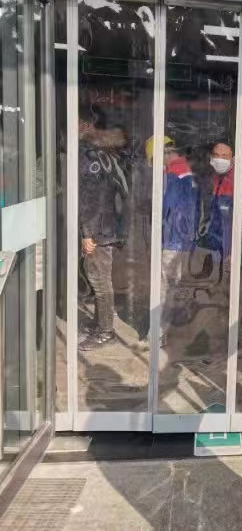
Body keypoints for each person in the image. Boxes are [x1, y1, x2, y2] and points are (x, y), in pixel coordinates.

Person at [78, 106, 129, 351]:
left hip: (99, 229)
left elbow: (90, 198)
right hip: (107, 226)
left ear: (86, 125)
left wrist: (88, 233)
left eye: (76, 123)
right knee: (99, 279)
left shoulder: (89, 155)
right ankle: (101, 323)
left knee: (100, 282)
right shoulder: (102, 153)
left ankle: (105, 332)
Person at [146, 136, 199, 345]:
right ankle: (168, 330)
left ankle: (158, 333)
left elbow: (164, 207)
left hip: (171, 239)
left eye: (154, 160)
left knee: (163, 288)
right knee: (173, 285)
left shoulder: (173, 174)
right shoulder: (187, 171)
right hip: (183, 239)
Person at [205, 142, 242, 275]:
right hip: (216, 244)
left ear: (233, 159)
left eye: (224, 156)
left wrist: (235, 251)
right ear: (211, 157)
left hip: (230, 248)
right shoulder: (215, 178)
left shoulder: (241, 182)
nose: (219, 159)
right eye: (216, 155)